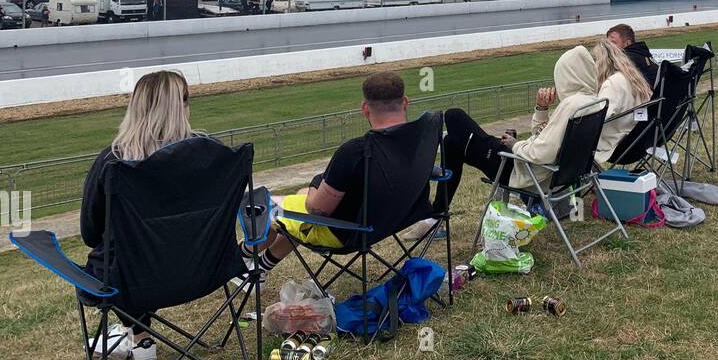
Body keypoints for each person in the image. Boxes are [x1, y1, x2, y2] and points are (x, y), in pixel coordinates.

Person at [81, 70, 202, 360]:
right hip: (200, 270)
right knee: (139, 252)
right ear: (183, 106)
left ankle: (137, 336)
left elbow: (90, 232)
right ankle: (139, 336)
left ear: (136, 107)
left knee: (123, 258)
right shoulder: (208, 153)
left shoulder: (113, 161)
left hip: (130, 279)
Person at [247, 71, 413, 276]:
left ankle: (243, 258)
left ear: (365, 108)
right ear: (405, 102)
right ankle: (260, 268)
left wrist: (313, 189)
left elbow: (317, 210)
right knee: (300, 205)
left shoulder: (356, 151)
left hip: (348, 233)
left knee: (269, 206)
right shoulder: (419, 140)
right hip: (394, 219)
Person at [442, 45, 609, 197]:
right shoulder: (592, 103)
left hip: (518, 168)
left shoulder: (571, 105)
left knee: (453, 115)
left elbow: (541, 152)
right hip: (542, 170)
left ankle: (433, 214)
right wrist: (541, 108)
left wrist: (514, 144)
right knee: (451, 143)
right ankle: (436, 215)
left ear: (569, 76)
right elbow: (543, 137)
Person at [605, 23, 658, 89]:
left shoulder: (627, 58)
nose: (608, 46)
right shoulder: (641, 53)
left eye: (613, 43)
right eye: (607, 43)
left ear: (628, 43)